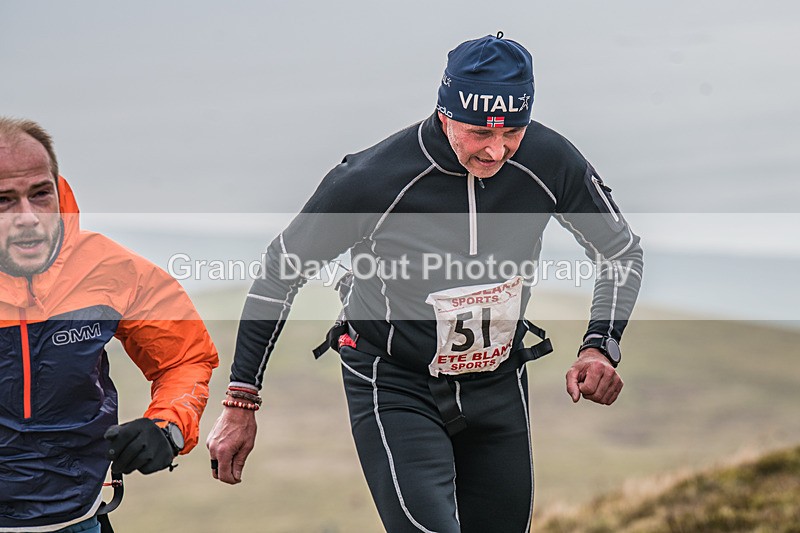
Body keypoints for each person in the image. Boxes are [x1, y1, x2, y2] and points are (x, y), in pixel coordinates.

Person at [207, 33, 643, 532]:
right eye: (479, 132)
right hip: (395, 381)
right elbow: (279, 272)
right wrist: (241, 401)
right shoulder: (372, 179)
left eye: (512, 132)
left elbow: (619, 250)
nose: (496, 151)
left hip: (497, 379)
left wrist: (600, 346)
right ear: (445, 111)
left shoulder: (550, 160)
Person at [0, 117, 219, 533]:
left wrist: (167, 428)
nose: (27, 216)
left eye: (40, 194)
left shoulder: (109, 269)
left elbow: (185, 358)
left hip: (81, 520)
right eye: (4, 200)